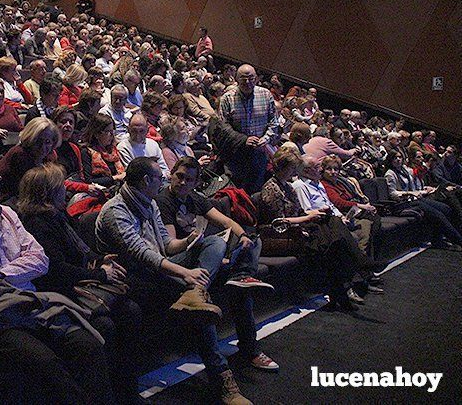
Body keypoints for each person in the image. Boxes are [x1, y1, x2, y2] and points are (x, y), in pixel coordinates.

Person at [0, 150, 114, 403]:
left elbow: (40, 261)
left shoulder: (8, 213)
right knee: (46, 365)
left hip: (28, 304)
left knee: (87, 345)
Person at [95, 157, 253, 405]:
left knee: (214, 242)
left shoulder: (149, 203)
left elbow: (167, 247)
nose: (165, 180)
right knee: (198, 305)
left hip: (160, 266)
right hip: (137, 276)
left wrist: (190, 240)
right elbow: (143, 255)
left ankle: (197, 291)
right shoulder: (116, 211)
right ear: (147, 180)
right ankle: (221, 376)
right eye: (160, 177)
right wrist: (185, 273)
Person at [18, 163, 141, 402]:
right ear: (46, 194)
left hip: (79, 282)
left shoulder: (57, 217)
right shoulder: (36, 225)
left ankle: (127, 390)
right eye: (59, 187)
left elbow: (81, 253)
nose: (65, 191)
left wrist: (101, 260)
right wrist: (101, 275)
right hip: (60, 292)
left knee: (130, 309)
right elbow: (56, 271)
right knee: (106, 324)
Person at [156, 156, 278, 369]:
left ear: (195, 182)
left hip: (202, 257)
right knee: (215, 243)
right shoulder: (163, 200)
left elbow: (228, 222)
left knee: (251, 239)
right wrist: (193, 240)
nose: (183, 182)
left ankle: (250, 347)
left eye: (189, 179)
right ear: (171, 174)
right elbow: (170, 247)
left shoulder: (196, 198)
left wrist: (242, 236)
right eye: (180, 176)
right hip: (179, 260)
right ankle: (200, 290)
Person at [259, 149, 378, 311]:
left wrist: (312, 214)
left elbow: (300, 211)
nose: (295, 172)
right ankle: (360, 266)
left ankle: (342, 291)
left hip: (299, 226)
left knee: (333, 228)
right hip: (282, 233)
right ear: (283, 167)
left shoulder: (287, 186)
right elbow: (278, 221)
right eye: (292, 168)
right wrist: (308, 217)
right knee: (330, 242)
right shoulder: (271, 188)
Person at [384, 150, 462, 250]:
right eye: (395, 158)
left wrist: (422, 189)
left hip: (415, 198)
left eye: (399, 157)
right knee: (438, 215)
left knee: (446, 208)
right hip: (403, 202)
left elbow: (413, 184)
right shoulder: (390, 174)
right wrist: (410, 193)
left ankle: (437, 239)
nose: (398, 159)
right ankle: (458, 240)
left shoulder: (404, 170)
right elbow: (392, 193)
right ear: (390, 160)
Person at [218, 64, 278, 193]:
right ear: (236, 79)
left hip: (259, 152)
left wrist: (265, 139)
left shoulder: (266, 95)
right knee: (235, 192)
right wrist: (244, 139)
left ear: (256, 78)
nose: (247, 82)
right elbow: (223, 127)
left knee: (255, 191)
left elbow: (274, 122)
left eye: (251, 78)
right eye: (243, 78)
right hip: (236, 153)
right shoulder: (227, 98)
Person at [0, 117, 60, 201]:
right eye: (38, 141)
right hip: (10, 198)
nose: (43, 147)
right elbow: (25, 190)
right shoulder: (19, 154)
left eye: (48, 142)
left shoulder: (50, 156)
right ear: (30, 138)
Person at [117, 113, 170, 179]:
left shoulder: (153, 144)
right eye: (134, 131)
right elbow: (132, 175)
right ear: (128, 129)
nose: (137, 135)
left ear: (147, 130)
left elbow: (165, 169)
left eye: (141, 131)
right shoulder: (123, 147)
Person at [81, 113, 127, 188]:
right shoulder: (86, 152)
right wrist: (115, 178)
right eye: (108, 131)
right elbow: (89, 181)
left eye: (113, 131)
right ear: (96, 134)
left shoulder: (113, 150)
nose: (112, 134)